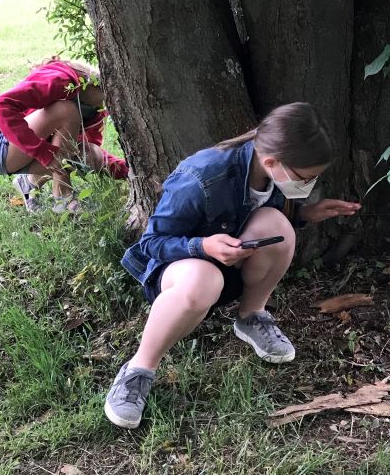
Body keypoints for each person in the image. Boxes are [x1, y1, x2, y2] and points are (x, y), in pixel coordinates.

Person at [104, 102, 361, 429]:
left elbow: (258, 216)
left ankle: (251, 316)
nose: (308, 185)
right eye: (305, 178)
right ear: (272, 161)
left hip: (230, 266)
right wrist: (202, 246)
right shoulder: (202, 176)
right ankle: (139, 369)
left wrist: (307, 214)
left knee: (280, 228)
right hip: (180, 274)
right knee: (205, 279)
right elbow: (151, 243)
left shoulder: (268, 171)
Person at [0, 58, 128, 213]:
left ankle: (29, 183)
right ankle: (64, 198)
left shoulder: (96, 109)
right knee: (66, 110)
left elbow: (86, 154)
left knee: (92, 154)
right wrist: (44, 153)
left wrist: (129, 171)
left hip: (27, 151)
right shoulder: (61, 81)